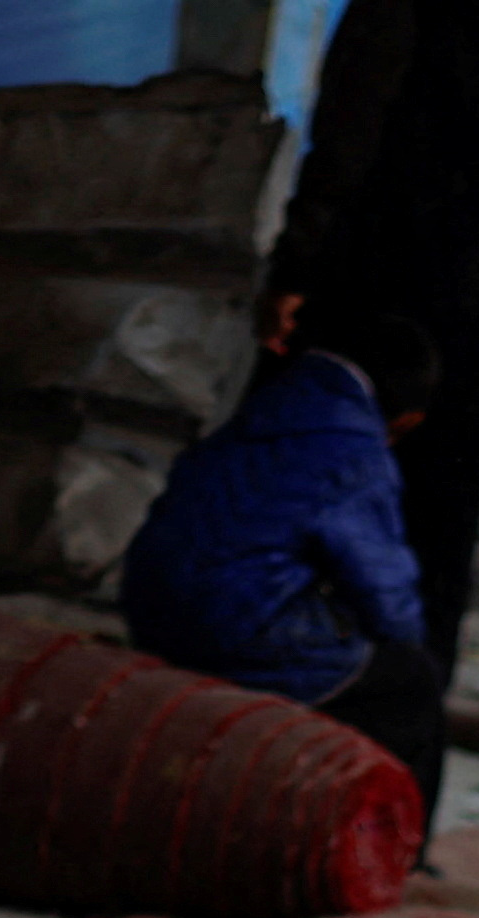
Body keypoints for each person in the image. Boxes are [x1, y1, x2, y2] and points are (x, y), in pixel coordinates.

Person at [252, 0, 479, 704]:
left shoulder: (397, 14)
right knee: (430, 567)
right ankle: (395, 780)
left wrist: (294, 274)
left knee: (304, 537)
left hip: (368, 318)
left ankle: (280, 764)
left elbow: (343, 148)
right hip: (477, 346)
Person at [116, 304, 443, 804]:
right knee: (408, 684)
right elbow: (382, 585)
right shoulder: (351, 448)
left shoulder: (262, 411)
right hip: (235, 629)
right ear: (404, 419)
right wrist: (406, 640)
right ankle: (385, 848)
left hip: (149, 606)